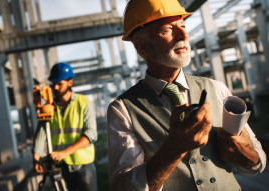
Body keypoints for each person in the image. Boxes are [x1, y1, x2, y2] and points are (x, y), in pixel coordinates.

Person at [107, 0, 267, 190]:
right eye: (167, 29)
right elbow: (123, 187)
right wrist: (175, 147)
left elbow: (258, 162)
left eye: (183, 25)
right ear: (141, 47)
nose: (183, 35)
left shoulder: (216, 88)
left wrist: (246, 154)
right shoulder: (123, 110)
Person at [33, 62, 98, 191]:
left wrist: (65, 153)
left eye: (59, 83)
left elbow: (91, 134)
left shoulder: (83, 102)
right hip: (60, 167)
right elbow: (42, 130)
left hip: (82, 166)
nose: (55, 87)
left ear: (70, 82)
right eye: (53, 84)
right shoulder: (49, 106)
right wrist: (36, 157)